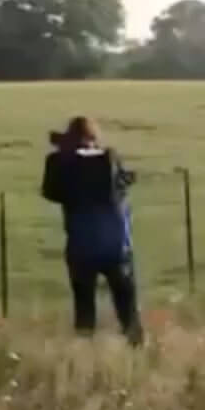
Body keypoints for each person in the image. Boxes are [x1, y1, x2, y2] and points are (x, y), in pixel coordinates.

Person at [40, 116, 142, 344]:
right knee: (128, 310)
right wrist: (127, 179)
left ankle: (84, 358)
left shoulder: (60, 164)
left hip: (80, 245)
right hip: (115, 246)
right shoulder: (108, 159)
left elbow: (51, 191)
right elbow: (115, 189)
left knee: (84, 310)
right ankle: (137, 352)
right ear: (93, 139)